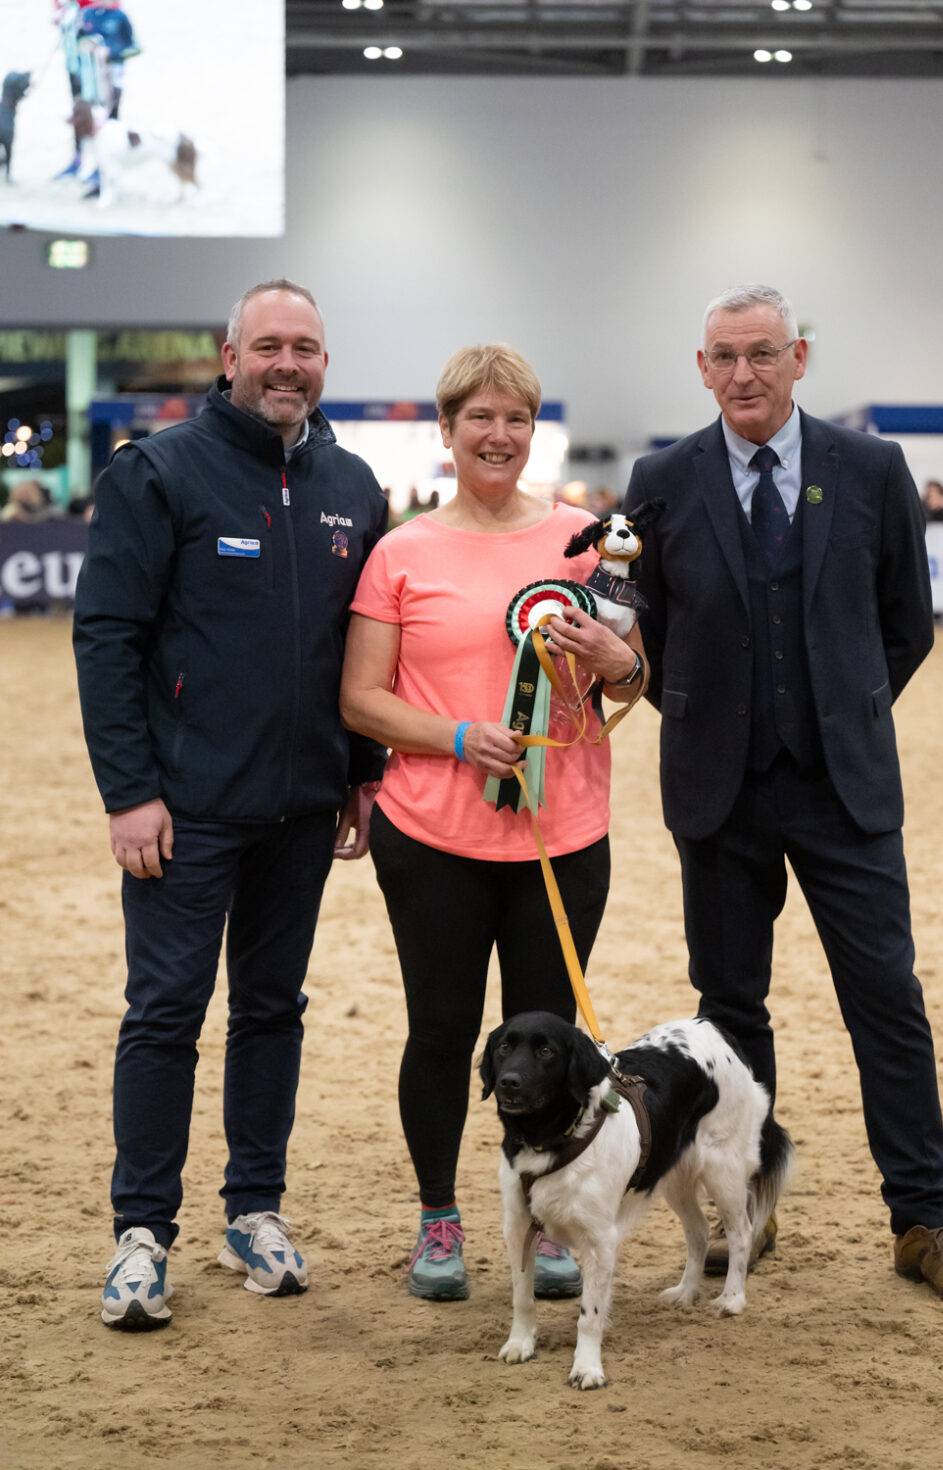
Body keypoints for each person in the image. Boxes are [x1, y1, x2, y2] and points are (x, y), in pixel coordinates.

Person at [623, 283, 943, 1304]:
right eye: (723, 357)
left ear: (798, 358)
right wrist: (697, 719)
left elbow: (903, 625)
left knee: (887, 1000)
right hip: (716, 792)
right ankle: (746, 1208)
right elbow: (637, 635)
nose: (743, 373)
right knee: (730, 1009)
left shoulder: (869, 469)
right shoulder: (661, 477)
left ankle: (921, 1218)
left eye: (762, 354)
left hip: (843, 790)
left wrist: (841, 715)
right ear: (700, 369)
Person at [73, 279, 389, 1331]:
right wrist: (130, 795)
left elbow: (359, 649)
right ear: (228, 355)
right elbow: (108, 639)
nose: (286, 364)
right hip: (185, 811)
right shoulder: (158, 471)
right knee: (165, 1014)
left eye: (304, 347)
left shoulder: (353, 484)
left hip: (302, 809)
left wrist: (360, 772)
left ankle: (253, 1208)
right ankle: (141, 1234)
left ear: (323, 363)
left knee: (271, 1011)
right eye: (268, 346)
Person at [340, 344, 647, 1302]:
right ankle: (440, 1218)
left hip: (563, 838)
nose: (498, 435)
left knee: (551, 1041)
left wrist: (616, 661)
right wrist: (459, 736)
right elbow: (360, 700)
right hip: (432, 835)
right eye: (479, 417)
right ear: (446, 431)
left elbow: (632, 682)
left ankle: (551, 1218)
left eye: (515, 419)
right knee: (441, 1031)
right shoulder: (402, 553)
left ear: (532, 430)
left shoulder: (588, 543)